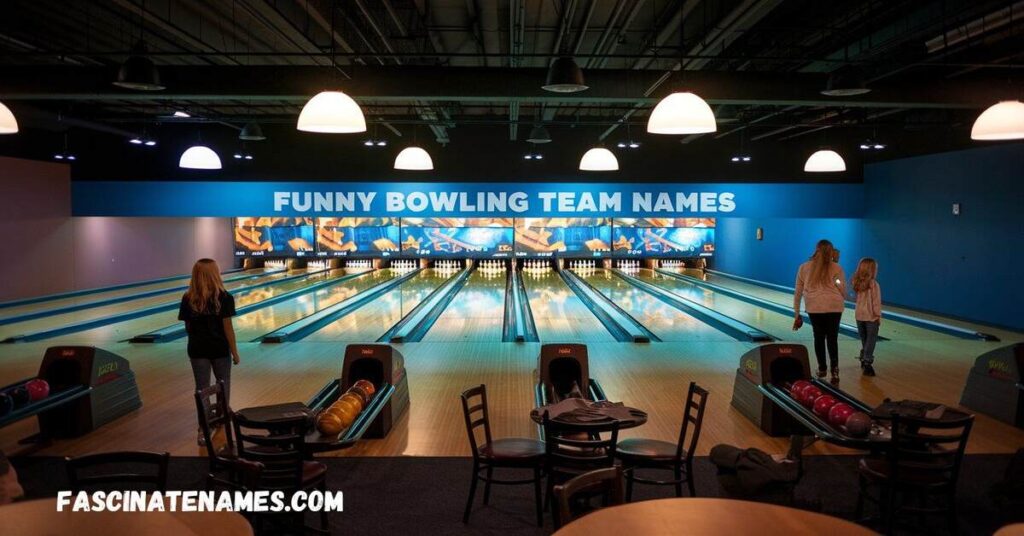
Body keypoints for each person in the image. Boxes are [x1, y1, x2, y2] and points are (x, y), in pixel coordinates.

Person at [178, 259, 240, 445]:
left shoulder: (187, 298)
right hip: (220, 348)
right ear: (216, 274)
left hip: (197, 349)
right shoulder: (225, 297)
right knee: (223, 383)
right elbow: (228, 328)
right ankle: (221, 420)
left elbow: (188, 327)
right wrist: (235, 352)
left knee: (201, 388)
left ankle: (203, 429)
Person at [793, 240, 846, 384]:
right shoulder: (837, 267)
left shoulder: (804, 267)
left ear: (816, 249)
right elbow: (840, 286)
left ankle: (822, 368)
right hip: (834, 305)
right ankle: (835, 370)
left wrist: (797, 313)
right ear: (831, 251)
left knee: (819, 336)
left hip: (814, 306)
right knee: (832, 338)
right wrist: (841, 293)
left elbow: (798, 292)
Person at [851, 258, 882, 376]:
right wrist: (878, 315)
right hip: (871, 316)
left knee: (865, 340)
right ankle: (867, 362)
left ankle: (863, 357)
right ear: (872, 270)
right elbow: (876, 302)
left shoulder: (857, 282)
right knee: (871, 339)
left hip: (859, 316)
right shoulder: (874, 284)